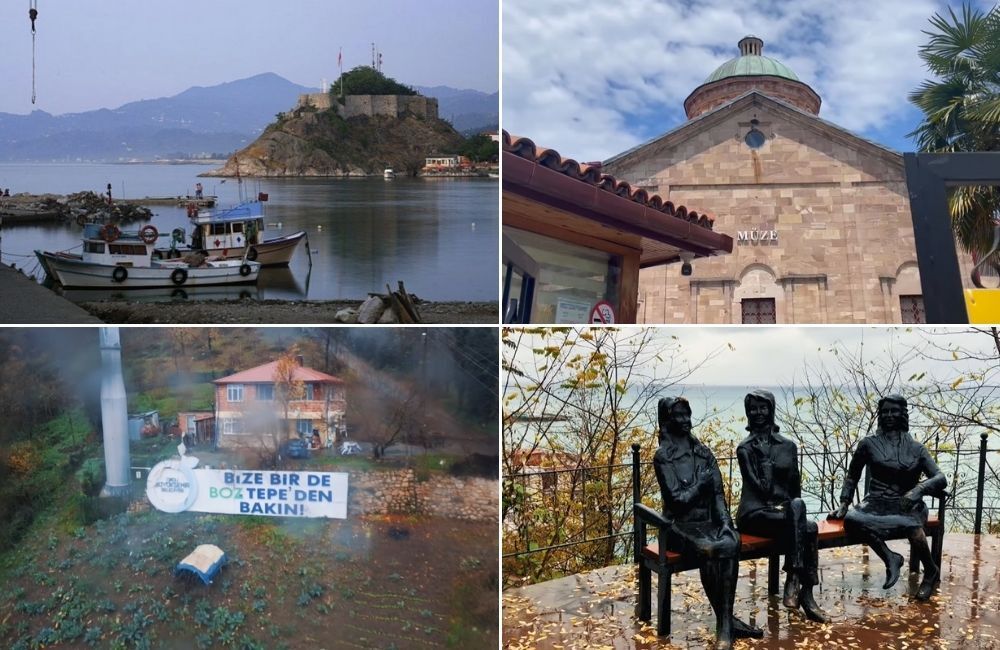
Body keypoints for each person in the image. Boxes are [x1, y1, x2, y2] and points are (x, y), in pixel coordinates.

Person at [653, 397, 763, 650]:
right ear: (667, 420)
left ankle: (726, 622)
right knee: (712, 549)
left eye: (686, 415)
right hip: (678, 526)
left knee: (730, 540)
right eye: (677, 415)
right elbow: (677, 501)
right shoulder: (663, 458)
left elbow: (717, 496)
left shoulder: (704, 453)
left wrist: (725, 522)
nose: (684, 421)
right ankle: (726, 625)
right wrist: (699, 485)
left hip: (709, 522)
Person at [828, 394, 946, 601]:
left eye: (894, 411)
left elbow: (940, 477)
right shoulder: (868, 444)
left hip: (908, 504)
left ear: (903, 414)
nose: (889, 415)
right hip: (875, 503)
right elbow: (852, 475)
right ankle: (890, 557)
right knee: (852, 520)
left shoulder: (916, 448)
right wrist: (844, 503)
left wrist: (918, 491)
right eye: (885, 412)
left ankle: (930, 572)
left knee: (912, 527)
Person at [736, 390, 828, 622]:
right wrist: (765, 459)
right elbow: (762, 490)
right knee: (806, 528)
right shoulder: (746, 449)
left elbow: (794, 488)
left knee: (807, 524)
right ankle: (798, 583)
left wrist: (790, 510)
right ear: (748, 413)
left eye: (763, 407)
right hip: (754, 514)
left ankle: (802, 590)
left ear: (771, 410)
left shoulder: (788, 446)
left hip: (784, 514)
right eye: (753, 408)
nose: (758, 413)